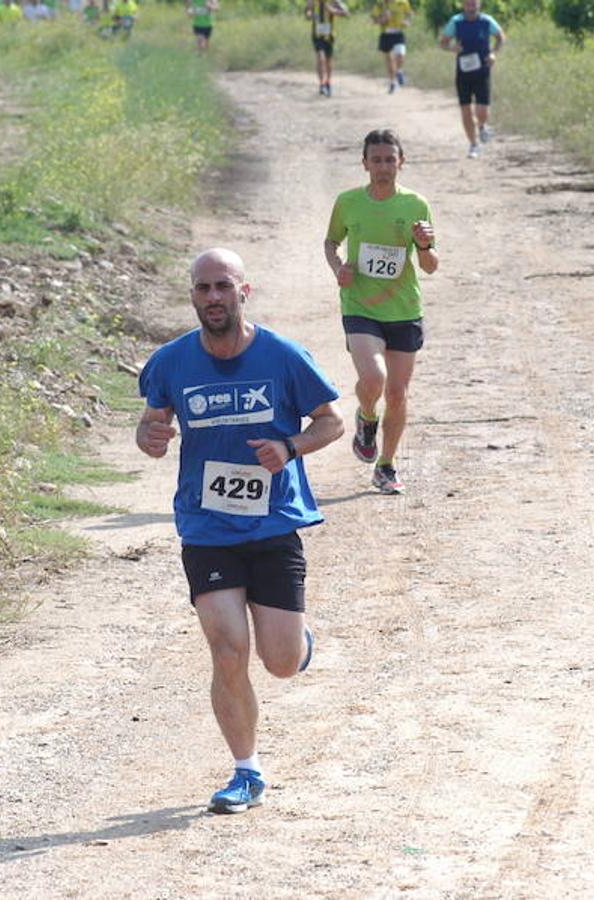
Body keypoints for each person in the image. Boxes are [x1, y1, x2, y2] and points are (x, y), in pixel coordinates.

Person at [137, 248, 344, 814]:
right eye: (203, 288)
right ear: (193, 296)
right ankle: (246, 771)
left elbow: (331, 421)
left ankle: (297, 645)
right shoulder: (170, 362)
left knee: (277, 662)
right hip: (206, 528)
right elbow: (154, 422)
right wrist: (149, 438)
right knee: (228, 648)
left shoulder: (282, 356)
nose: (213, 298)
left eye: (223, 287)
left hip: (274, 524)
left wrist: (291, 447)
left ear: (243, 292)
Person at [323, 129, 437, 495]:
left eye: (390, 160)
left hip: (403, 308)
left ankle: (386, 465)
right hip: (360, 305)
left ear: (401, 162)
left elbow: (431, 265)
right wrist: (337, 267)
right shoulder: (348, 202)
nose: (384, 167)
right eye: (377, 160)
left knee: (398, 394)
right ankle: (366, 416)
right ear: (365, 164)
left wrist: (423, 245)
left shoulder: (416, 205)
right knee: (373, 379)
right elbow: (331, 241)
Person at [439, 0, 505, 159]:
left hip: (482, 69)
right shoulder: (456, 22)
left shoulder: (487, 21)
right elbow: (443, 42)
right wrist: (452, 48)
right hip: (463, 71)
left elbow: (500, 37)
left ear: (479, 4)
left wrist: (493, 53)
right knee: (466, 110)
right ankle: (473, 144)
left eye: (474, 3)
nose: (471, 6)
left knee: (482, 110)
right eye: (468, 3)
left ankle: (482, 126)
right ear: (463, 5)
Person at [304, 0, 348, 97]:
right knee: (320, 57)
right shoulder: (312, 1)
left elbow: (345, 13)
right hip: (317, 35)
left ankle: (328, 82)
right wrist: (311, 14)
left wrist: (332, 11)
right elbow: (307, 14)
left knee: (328, 60)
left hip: (329, 35)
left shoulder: (333, 1)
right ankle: (322, 84)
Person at [370, 0, 412, 93]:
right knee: (389, 60)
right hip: (385, 34)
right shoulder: (380, 4)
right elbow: (374, 19)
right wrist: (382, 19)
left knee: (400, 54)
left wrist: (407, 21)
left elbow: (409, 14)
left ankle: (399, 72)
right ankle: (392, 82)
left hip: (398, 32)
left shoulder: (403, 2)